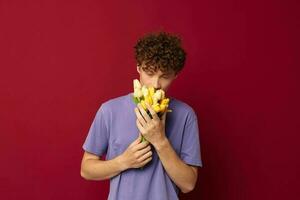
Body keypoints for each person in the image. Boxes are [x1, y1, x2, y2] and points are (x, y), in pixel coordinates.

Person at [80, 31, 203, 200]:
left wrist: (160, 141)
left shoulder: (186, 115)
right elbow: (86, 169)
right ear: (138, 67)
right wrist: (124, 161)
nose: (156, 84)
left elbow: (188, 184)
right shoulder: (109, 110)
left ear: (175, 75)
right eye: (150, 73)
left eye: (165, 76)